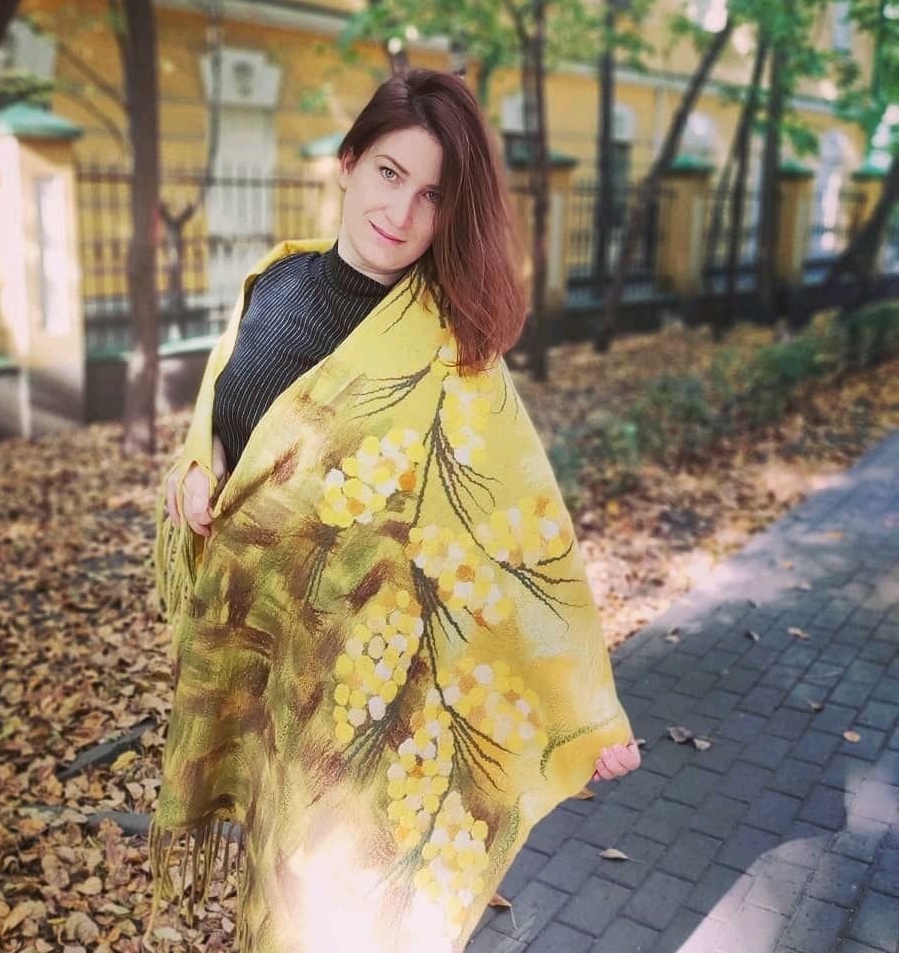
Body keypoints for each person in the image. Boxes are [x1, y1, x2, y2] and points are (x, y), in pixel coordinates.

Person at [147, 68, 640, 952]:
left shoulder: (454, 355)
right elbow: (226, 410)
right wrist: (200, 465)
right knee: (269, 875)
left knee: (330, 913)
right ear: (347, 163)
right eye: (388, 173)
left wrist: (582, 707)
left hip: (365, 695)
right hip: (263, 654)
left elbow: (519, 533)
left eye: (433, 196)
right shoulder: (273, 280)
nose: (402, 213)